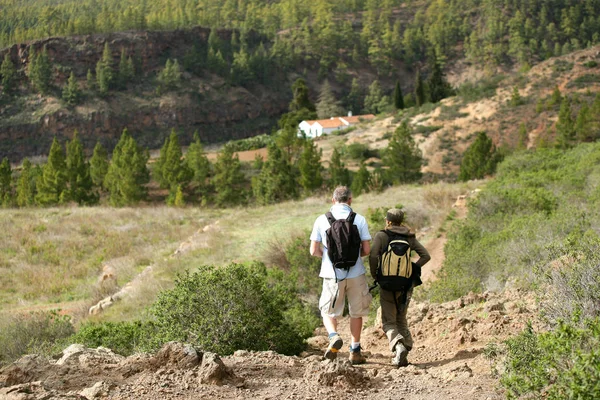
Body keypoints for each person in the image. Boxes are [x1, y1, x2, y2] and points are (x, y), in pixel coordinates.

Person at [310, 186, 372, 364]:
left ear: (333, 200)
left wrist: (329, 258)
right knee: (356, 313)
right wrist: (352, 258)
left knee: (328, 311)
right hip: (356, 273)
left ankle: (333, 337)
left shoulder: (322, 220)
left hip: (332, 275)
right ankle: (355, 351)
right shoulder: (359, 219)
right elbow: (366, 250)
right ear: (350, 200)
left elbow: (313, 250)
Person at [369, 208, 430, 367]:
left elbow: (373, 255)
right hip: (406, 284)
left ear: (387, 221)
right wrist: (412, 269)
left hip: (387, 284)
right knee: (401, 318)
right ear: (401, 221)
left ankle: (398, 345)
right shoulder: (409, 237)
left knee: (388, 321)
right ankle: (405, 348)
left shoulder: (382, 235)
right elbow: (426, 256)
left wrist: (375, 274)